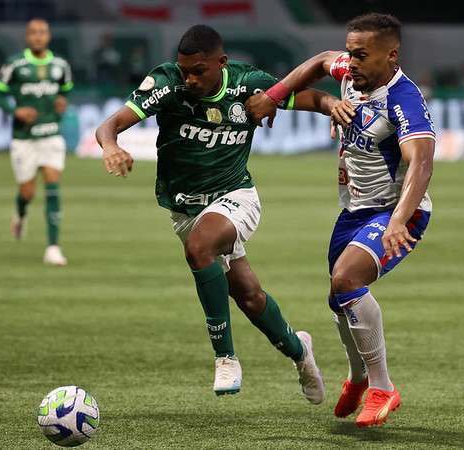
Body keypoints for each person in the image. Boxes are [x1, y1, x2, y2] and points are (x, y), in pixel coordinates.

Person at [95, 25, 337, 402]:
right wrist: (111, 146)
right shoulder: (166, 82)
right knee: (250, 297)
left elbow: (307, 98)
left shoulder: (249, 84)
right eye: (185, 70)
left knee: (199, 248)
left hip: (236, 196)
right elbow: (109, 125)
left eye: (198, 70)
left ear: (220, 63)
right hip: (185, 208)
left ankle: (225, 358)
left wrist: (331, 107)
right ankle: (300, 351)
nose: (189, 78)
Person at [246, 13, 435, 427]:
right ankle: (358, 375)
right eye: (349, 52)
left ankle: (383, 386)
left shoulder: (404, 99)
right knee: (340, 299)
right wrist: (275, 95)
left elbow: (420, 163)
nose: (350, 62)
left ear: (391, 55)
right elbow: (317, 63)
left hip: (397, 211)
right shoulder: (351, 73)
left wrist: (399, 220)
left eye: (361, 55)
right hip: (353, 211)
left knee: (347, 281)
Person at [0, 18, 73, 266]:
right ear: (27, 37)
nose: (38, 36)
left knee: (52, 185)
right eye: (33, 33)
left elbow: (65, 90)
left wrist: (61, 101)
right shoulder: (15, 64)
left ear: (48, 36)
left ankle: (53, 247)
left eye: (43, 32)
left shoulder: (60, 65)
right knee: (27, 192)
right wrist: (14, 111)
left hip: (51, 134)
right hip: (24, 138)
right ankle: (20, 212)